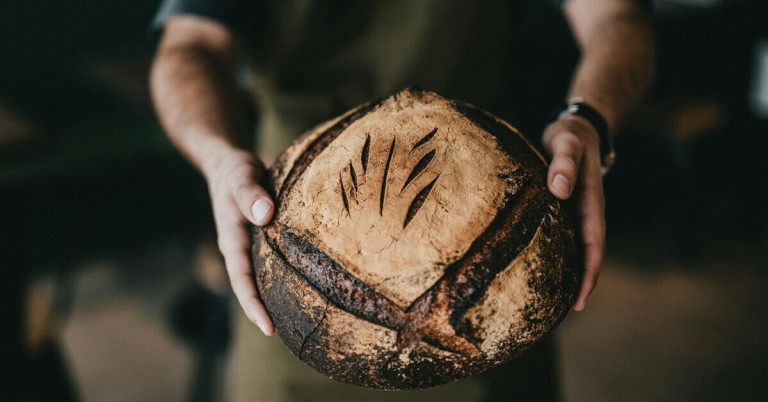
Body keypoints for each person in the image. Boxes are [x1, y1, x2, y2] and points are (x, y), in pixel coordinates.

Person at [150, 1, 654, 400]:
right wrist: (219, 159)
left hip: (487, 224)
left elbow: (617, 17)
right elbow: (188, 46)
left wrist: (589, 117)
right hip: (295, 252)